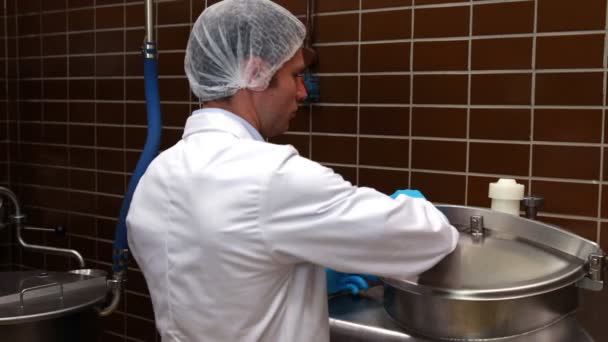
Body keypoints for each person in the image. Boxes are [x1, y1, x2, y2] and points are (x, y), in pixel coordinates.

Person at [126, 0, 459, 341]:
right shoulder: (272, 177)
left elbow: (222, 281)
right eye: (295, 75)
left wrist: (302, 274)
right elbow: (428, 240)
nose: (302, 91)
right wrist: (417, 211)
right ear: (255, 73)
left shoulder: (155, 177)